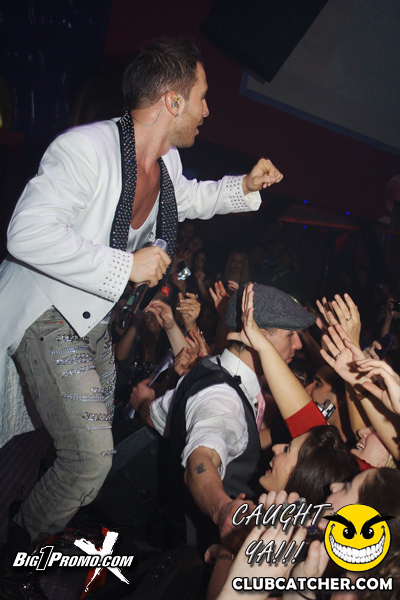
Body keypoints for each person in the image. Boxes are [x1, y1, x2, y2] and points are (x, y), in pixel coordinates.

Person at [0, 36, 284, 548]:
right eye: (201, 97)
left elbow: (190, 198)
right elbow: (25, 234)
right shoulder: (87, 149)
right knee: (90, 460)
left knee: (93, 443)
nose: (206, 110)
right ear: (172, 101)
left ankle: (35, 508)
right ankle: (20, 544)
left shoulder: (166, 165)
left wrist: (243, 187)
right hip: (49, 311)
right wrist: (125, 265)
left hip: (92, 321)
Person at [131, 283, 316, 552]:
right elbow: (201, 458)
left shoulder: (209, 368)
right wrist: (221, 509)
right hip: (204, 554)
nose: (298, 345)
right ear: (257, 336)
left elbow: (157, 416)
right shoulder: (223, 398)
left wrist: (143, 403)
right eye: (290, 335)